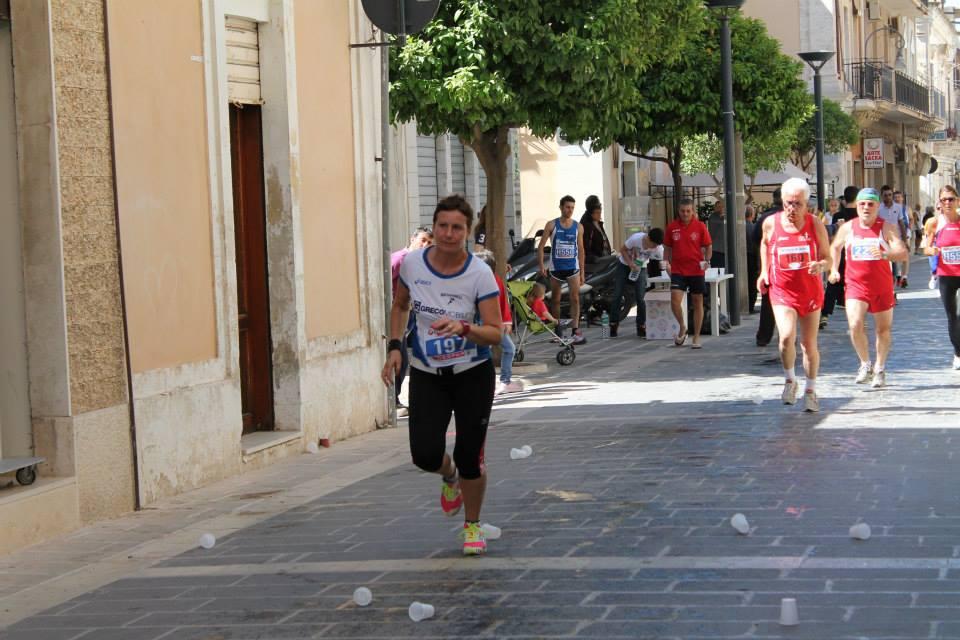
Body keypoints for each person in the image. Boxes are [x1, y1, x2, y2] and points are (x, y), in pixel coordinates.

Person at [380, 195, 503, 556]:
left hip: (472, 373)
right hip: (427, 373)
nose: (449, 234)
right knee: (424, 454)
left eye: (457, 228)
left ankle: (472, 525)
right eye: (443, 226)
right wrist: (395, 346)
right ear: (433, 228)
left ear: (468, 231)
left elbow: (495, 332)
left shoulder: (479, 274)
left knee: (470, 455)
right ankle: (450, 477)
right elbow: (400, 306)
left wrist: (464, 328)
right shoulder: (413, 264)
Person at [757, 177, 831, 412]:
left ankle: (810, 390)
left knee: (808, 344)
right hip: (782, 290)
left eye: (798, 204)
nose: (792, 208)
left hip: (809, 291)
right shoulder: (771, 223)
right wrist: (764, 271)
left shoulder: (815, 224)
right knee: (786, 338)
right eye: (788, 203)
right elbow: (765, 244)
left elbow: (828, 257)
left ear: (807, 204)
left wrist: (821, 265)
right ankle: (790, 380)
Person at [828, 188, 909, 388]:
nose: (866, 207)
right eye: (862, 204)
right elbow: (835, 247)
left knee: (883, 330)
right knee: (855, 325)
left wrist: (885, 254)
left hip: (881, 286)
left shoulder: (886, 227)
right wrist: (833, 270)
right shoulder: (848, 228)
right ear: (857, 205)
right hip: (855, 285)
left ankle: (880, 368)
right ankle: (865, 363)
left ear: (877, 206)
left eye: (870, 204)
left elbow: (902, 252)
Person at [389, 227, 434, 415]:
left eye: (429, 243)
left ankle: (395, 400)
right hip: (396, 316)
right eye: (423, 240)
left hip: (411, 315)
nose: (425, 245)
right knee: (400, 359)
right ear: (412, 239)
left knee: (407, 359)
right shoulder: (400, 259)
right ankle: (393, 401)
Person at [537, 195, 586, 344]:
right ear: (561, 207)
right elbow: (541, 247)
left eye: (572, 208)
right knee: (556, 300)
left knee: (575, 298)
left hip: (573, 268)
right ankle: (557, 329)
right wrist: (541, 266)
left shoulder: (578, 227)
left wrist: (582, 272)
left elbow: (581, 250)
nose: (570, 210)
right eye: (567, 207)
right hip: (556, 268)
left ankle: (575, 329)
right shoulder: (551, 225)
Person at [664, 198, 711, 349]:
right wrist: (666, 263)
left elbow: (708, 245)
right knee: (674, 300)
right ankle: (683, 326)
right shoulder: (672, 227)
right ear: (679, 211)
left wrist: (707, 261)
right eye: (683, 211)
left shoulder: (700, 226)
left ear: (693, 211)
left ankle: (696, 336)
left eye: (688, 211)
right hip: (678, 270)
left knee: (697, 301)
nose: (685, 214)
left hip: (696, 269)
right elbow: (667, 248)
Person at [923, 185, 960, 370]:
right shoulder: (934, 223)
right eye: (943, 200)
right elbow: (926, 248)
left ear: (957, 201)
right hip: (946, 275)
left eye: (951, 199)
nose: (947, 203)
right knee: (952, 316)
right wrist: (933, 251)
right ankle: (958, 353)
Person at [475, 250, 522, 395]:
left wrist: (506, 321)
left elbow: (502, 302)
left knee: (507, 349)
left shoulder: (494, 280)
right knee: (493, 351)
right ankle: (495, 382)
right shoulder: (480, 281)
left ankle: (502, 382)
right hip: (485, 322)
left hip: (492, 322)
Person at [610, 227, 666, 338]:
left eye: (657, 245)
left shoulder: (658, 248)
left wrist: (666, 268)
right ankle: (613, 323)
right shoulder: (636, 239)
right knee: (617, 294)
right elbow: (622, 250)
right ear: (648, 238)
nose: (654, 247)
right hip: (624, 265)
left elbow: (664, 260)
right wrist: (630, 264)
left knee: (641, 297)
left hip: (641, 267)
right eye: (653, 244)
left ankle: (641, 325)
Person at [820, 185, 859, 330]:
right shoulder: (860, 215)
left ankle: (824, 315)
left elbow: (832, 237)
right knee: (856, 286)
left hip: (840, 253)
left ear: (844, 199)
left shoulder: (838, 216)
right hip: (856, 254)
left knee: (833, 284)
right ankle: (858, 317)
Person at [753, 189, 783, 346]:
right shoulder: (795, 215)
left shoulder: (765, 217)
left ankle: (763, 336)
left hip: (769, 264)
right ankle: (787, 336)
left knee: (768, 301)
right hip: (788, 265)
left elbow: (755, 238)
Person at [878, 186, 906, 291]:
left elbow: (901, 223)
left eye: (890, 195)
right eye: (885, 195)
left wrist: (904, 240)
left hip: (894, 239)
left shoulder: (898, 207)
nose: (888, 197)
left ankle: (892, 290)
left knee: (894, 264)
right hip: (882, 240)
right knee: (884, 264)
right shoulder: (878, 208)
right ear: (882, 196)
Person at [580, 195, 611, 265]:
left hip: (603, 258)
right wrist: (593, 258)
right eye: (597, 213)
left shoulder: (597, 222)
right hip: (596, 262)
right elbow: (585, 246)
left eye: (600, 212)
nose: (600, 215)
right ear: (591, 213)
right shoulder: (586, 226)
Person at [745, 206, 759, 312]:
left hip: (742, 257)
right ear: (752, 215)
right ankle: (750, 306)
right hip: (752, 257)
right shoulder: (754, 228)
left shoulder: (738, 227)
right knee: (752, 283)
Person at [708, 200, 726, 269]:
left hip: (723, 250)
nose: (721, 208)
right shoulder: (713, 217)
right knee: (717, 270)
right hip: (716, 250)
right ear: (715, 208)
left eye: (722, 207)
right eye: (719, 207)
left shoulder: (723, 217)